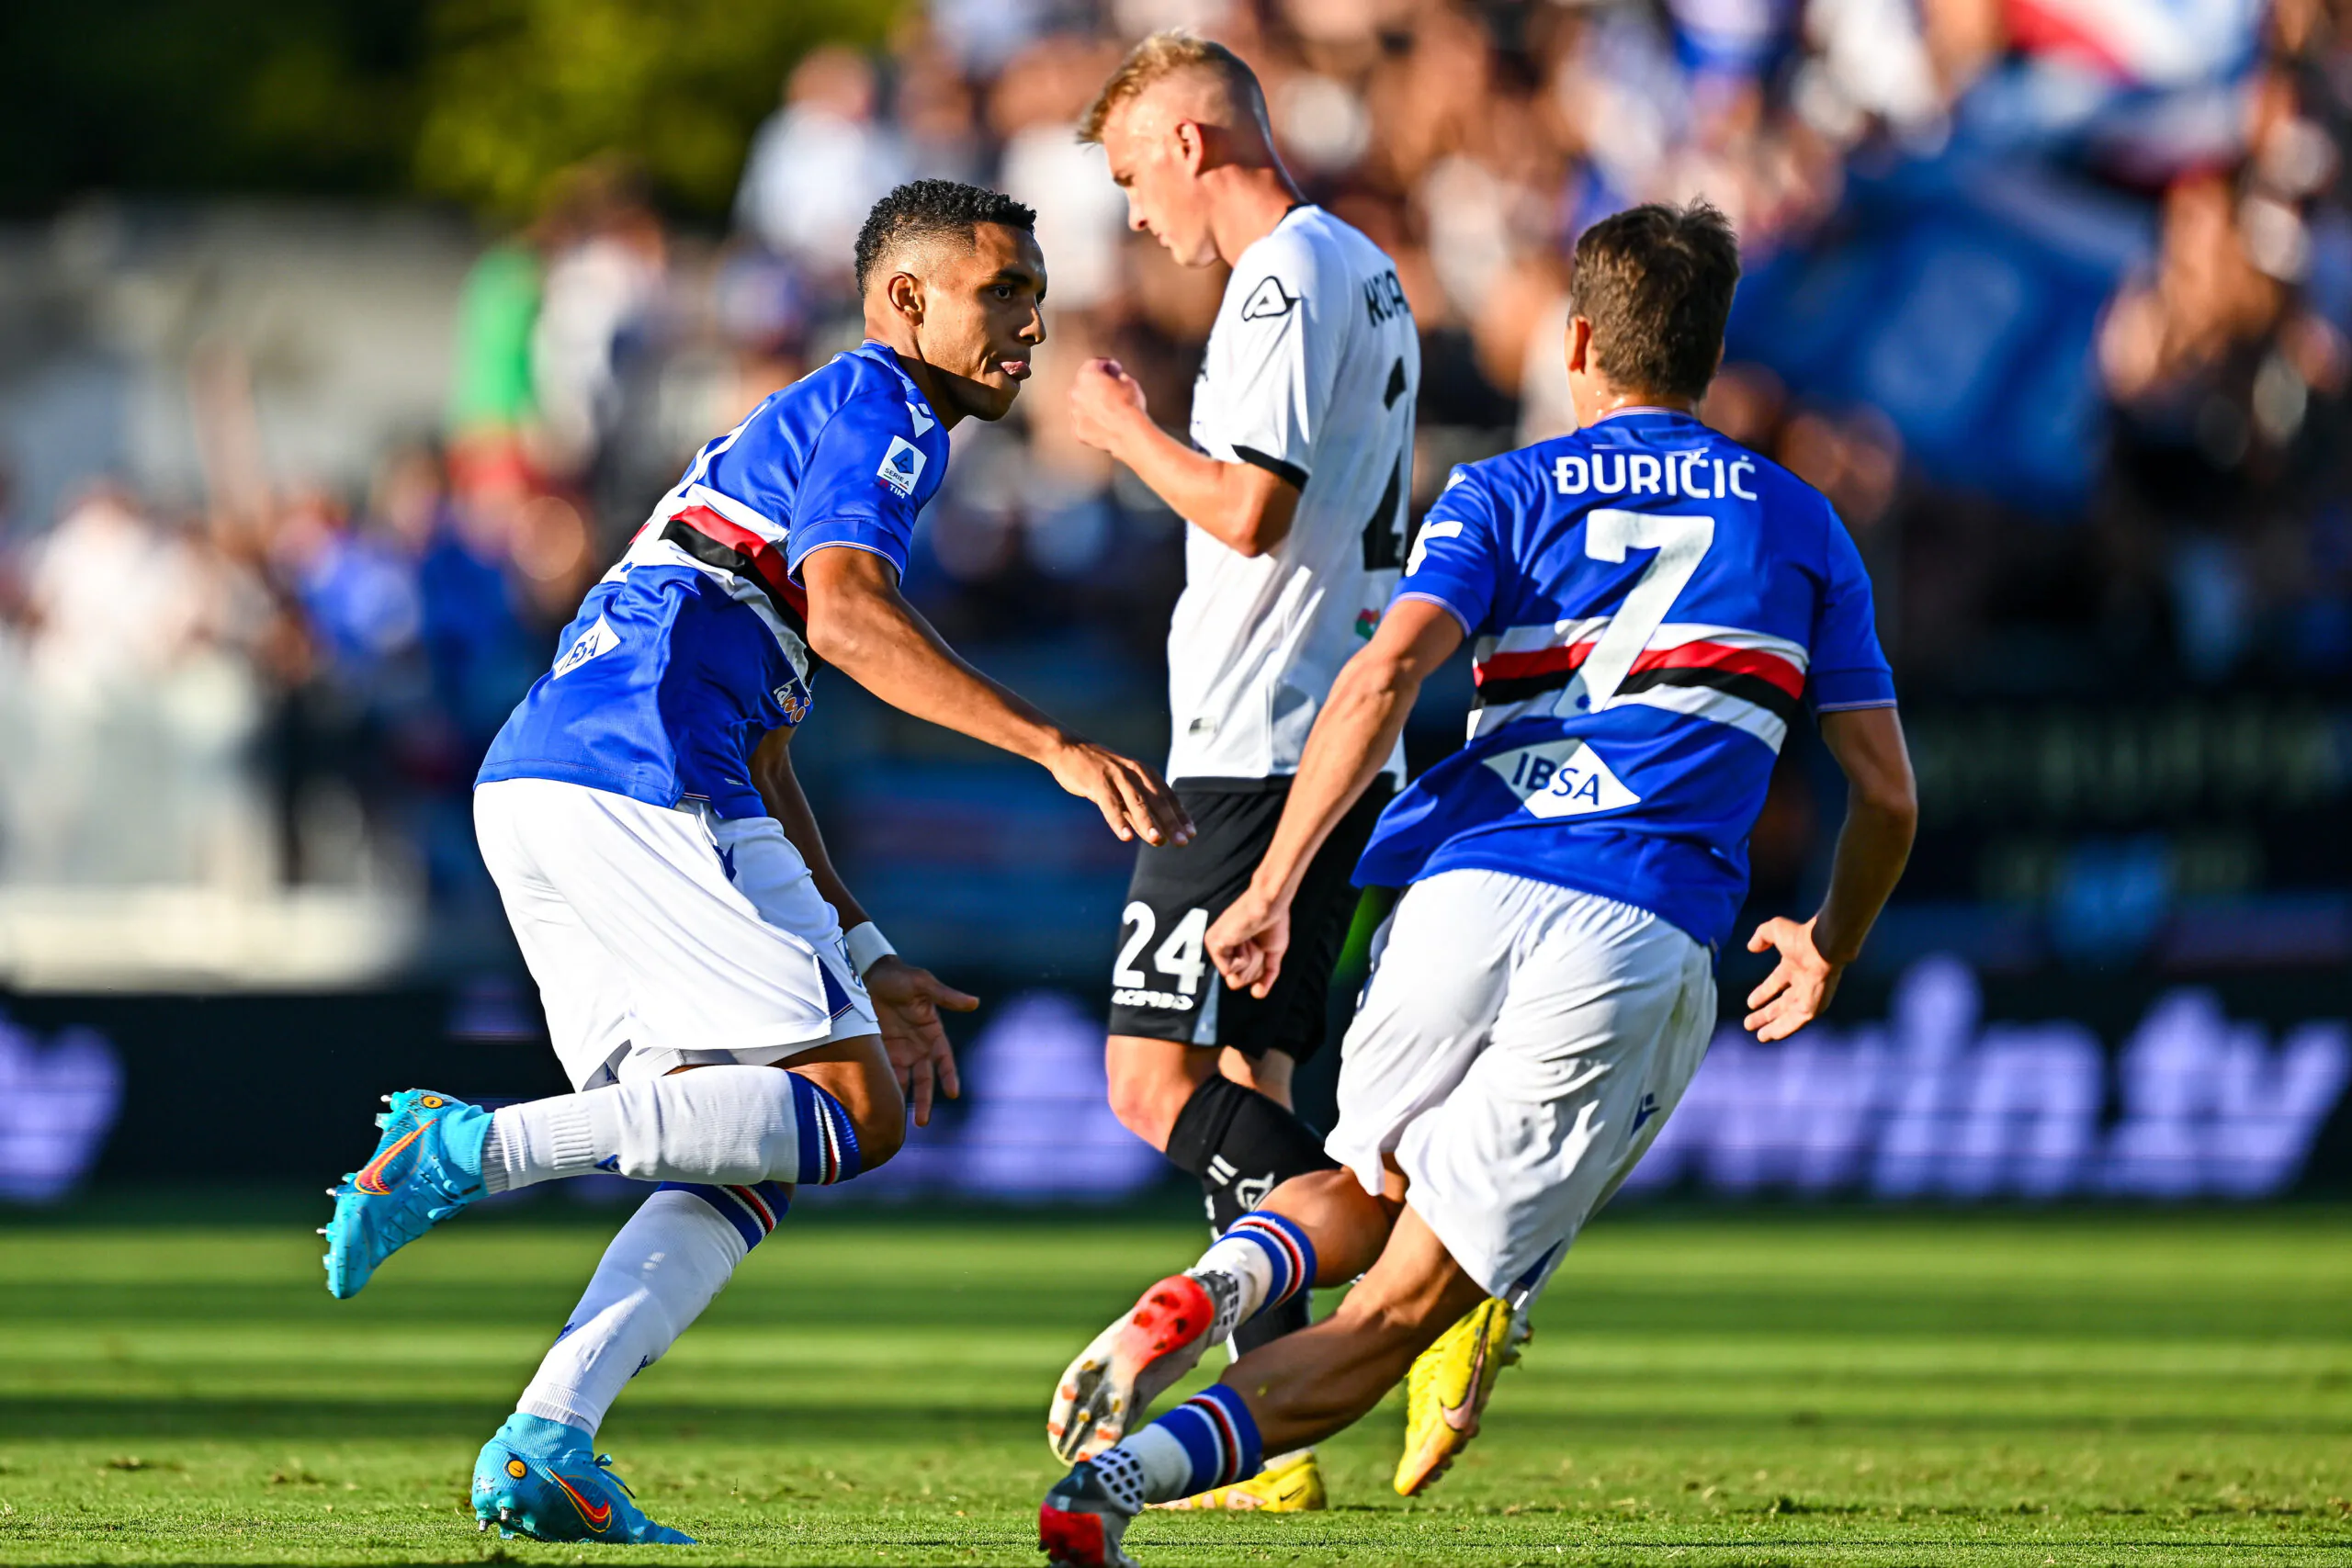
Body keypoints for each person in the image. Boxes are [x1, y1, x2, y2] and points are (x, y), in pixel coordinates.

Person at [1036, 200, 1918, 1568]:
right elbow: (1888, 792)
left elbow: (1382, 674)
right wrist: (1829, 942)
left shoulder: (1503, 489)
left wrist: (1274, 881)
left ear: (1578, 341)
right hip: (1636, 919)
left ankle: (1211, 1280)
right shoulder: (1802, 524)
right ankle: (1113, 1486)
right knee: (1398, 1311)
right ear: (1711, 349)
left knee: (1360, 1181)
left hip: (1460, 892)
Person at [316, 179, 1190, 1548]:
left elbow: (775, 751)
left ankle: (549, 1433)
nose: (1029, 321)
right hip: (634, 768)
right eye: (999, 293)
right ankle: (470, 1146)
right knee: (857, 1111)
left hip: (585, 773)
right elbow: (847, 615)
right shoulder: (883, 407)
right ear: (906, 304)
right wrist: (1052, 743)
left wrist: (866, 951)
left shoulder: (801, 431)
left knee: (753, 1148)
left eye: (1034, 292)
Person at [1046, 33, 1423, 1515]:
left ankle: (1422, 1276)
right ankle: (1281, 1441)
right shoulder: (1366, 265)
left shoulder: (1279, 276)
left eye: (1138, 174)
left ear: (1197, 142)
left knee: (1149, 1081)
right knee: (1250, 1076)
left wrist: (1126, 430)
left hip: (1260, 740)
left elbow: (1252, 509)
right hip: (1327, 735)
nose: (1140, 214)